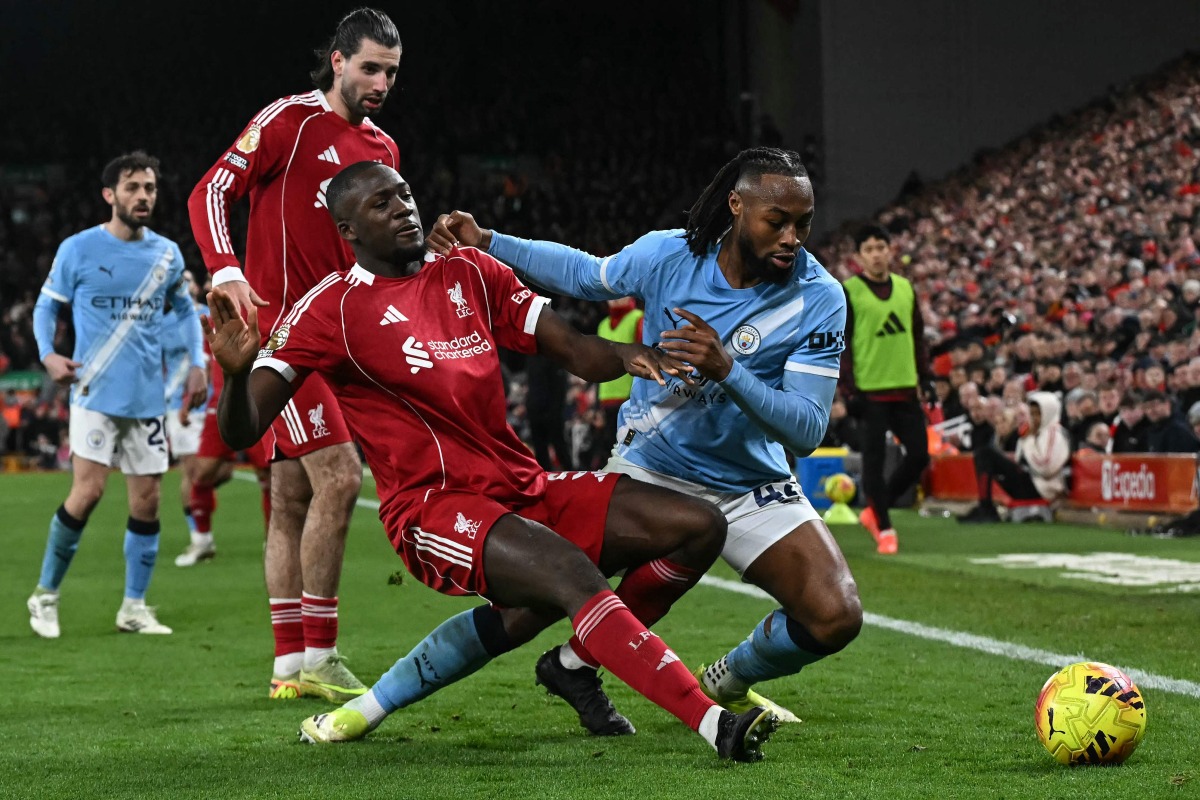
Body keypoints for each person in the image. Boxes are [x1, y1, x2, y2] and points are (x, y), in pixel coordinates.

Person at [207, 161, 778, 762]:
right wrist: (236, 374)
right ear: (346, 231)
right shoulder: (330, 310)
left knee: (696, 527)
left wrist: (636, 353)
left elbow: (576, 350)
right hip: (432, 508)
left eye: (404, 194)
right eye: (381, 205)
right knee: (566, 575)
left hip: (520, 485)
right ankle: (714, 722)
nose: (403, 208)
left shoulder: (470, 270)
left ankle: (559, 667)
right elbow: (247, 425)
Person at [427, 146, 862, 732]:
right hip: (650, 469)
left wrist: (727, 369)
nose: (792, 238)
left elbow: (807, 430)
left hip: (749, 484)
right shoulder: (670, 256)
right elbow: (584, 273)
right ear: (737, 206)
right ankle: (378, 703)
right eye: (776, 221)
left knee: (836, 616)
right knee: (528, 608)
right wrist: (490, 242)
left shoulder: (819, 297)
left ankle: (723, 678)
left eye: (803, 223)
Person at [187, 7, 402, 701]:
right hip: (283, 336)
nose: (380, 82)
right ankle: (321, 654)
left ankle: (289, 664)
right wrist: (225, 268)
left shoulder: (384, 150)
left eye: (391, 73)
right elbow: (212, 189)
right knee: (339, 480)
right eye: (369, 67)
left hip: (343, 339)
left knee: (290, 497)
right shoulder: (289, 121)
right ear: (337, 61)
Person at [26, 151, 206, 638]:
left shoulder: (167, 254)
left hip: (147, 401)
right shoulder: (78, 250)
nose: (143, 196)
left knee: (147, 502)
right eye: (132, 187)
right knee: (88, 492)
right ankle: (45, 595)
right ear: (110, 195)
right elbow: (46, 309)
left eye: (149, 187)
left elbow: (188, 313)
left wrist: (198, 362)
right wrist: (47, 354)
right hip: (94, 392)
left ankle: (133, 606)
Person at [840, 224, 931, 554]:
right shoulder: (849, 291)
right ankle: (885, 528)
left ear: (890, 251)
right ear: (858, 257)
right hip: (870, 391)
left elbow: (917, 338)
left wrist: (927, 377)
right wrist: (848, 389)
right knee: (874, 463)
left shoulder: (906, 288)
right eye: (869, 249)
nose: (877, 254)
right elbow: (844, 343)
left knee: (919, 455)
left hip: (905, 386)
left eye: (881, 247)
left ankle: (876, 510)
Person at [958, 392, 1069, 523]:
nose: (1034, 418)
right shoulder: (1035, 432)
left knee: (986, 453)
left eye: (1038, 413)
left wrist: (1027, 443)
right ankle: (985, 506)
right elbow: (1019, 458)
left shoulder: (1055, 433)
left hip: (1042, 488)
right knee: (983, 453)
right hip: (1032, 482)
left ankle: (986, 509)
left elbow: (1046, 467)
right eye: (1032, 413)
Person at [162, 271, 208, 544]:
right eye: (180, 279)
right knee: (192, 471)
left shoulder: (212, 313)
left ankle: (203, 527)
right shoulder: (164, 324)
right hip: (179, 405)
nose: (186, 282)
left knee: (218, 469)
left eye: (189, 278)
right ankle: (197, 532)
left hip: (214, 402)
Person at [595, 297, 644, 452]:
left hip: (630, 400)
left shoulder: (638, 318)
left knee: (628, 446)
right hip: (606, 398)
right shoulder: (602, 325)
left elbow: (645, 360)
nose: (614, 298)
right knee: (609, 448)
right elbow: (596, 364)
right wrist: (597, 405)